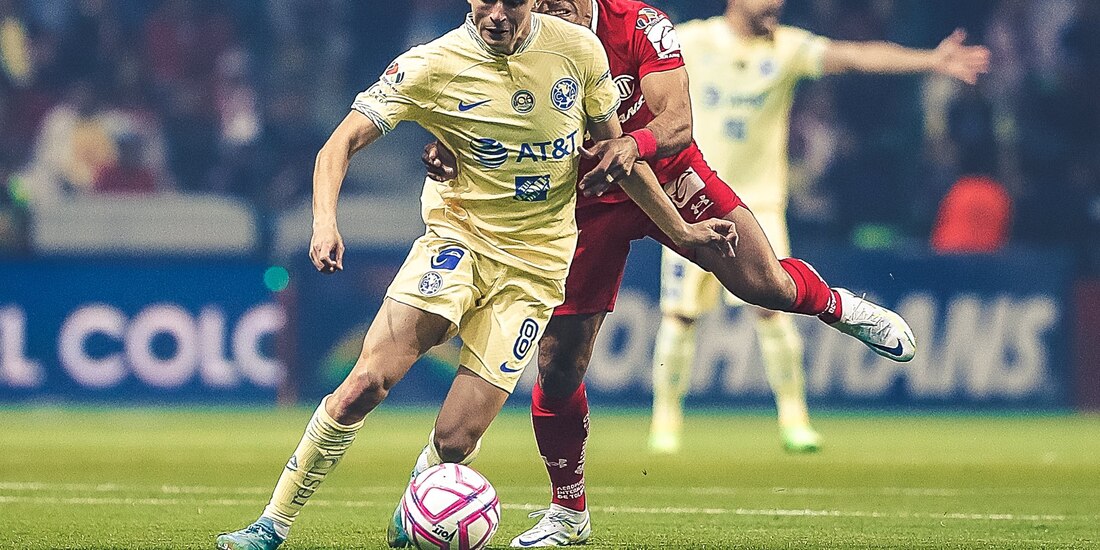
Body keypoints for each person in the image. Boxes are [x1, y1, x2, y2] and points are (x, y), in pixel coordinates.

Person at [214, 1, 736, 549]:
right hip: (456, 245)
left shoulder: (579, 51)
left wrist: (680, 232)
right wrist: (324, 223)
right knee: (364, 384)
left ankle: (415, 510)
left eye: (512, 1)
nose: (497, 14)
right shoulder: (431, 64)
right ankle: (272, 522)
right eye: (486, 1)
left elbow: (616, 159)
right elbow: (336, 145)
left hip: (534, 270)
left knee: (456, 439)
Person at [419, 0, 922, 546]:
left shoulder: (639, 23)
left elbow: (678, 121)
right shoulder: (523, 30)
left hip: (668, 173)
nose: (545, 4)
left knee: (764, 284)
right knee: (560, 365)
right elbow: (483, 104)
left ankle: (839, 307)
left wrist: (631, 143)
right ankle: (569, 513)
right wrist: (449, 148)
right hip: (582, 201)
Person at [651, 0, 992, 456]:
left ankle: (795, 419)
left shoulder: (789, 49)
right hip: (691, 200)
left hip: (760, 204)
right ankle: (665, 423)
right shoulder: (692, 42)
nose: (777, 3)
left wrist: (929, 60)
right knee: (679, 318)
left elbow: (856, 56)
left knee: (774, 310)